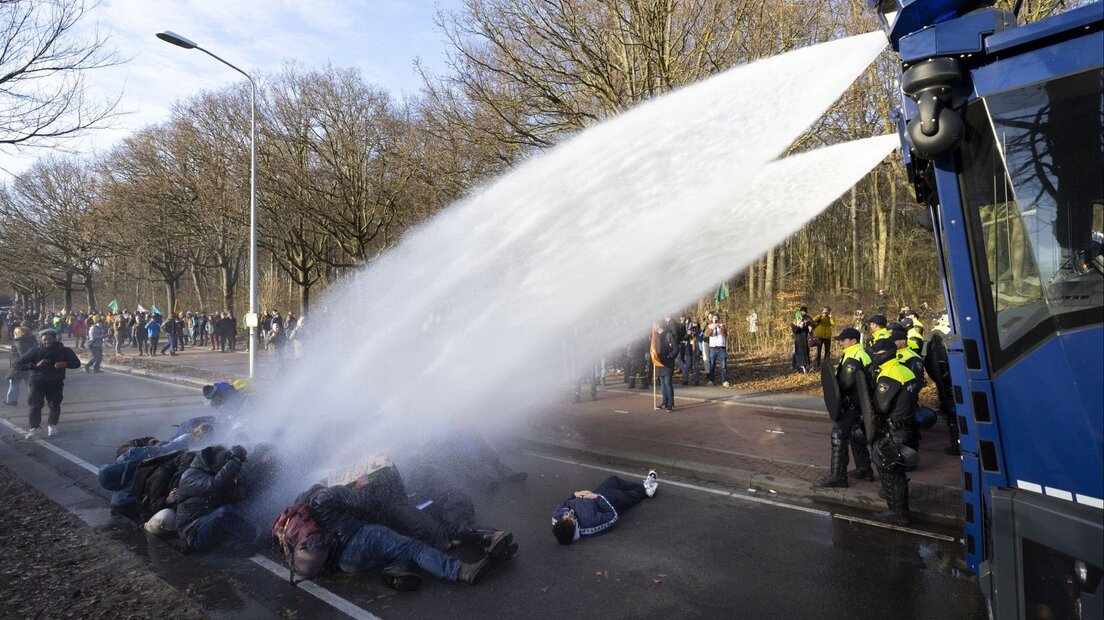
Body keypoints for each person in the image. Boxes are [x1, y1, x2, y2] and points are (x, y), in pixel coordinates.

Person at [307, 483, 503, 588]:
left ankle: (395, 570)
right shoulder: (331, 492)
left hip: (346, 562)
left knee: (400, 546)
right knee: (414, 548)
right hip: (363, 538)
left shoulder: (311, 510)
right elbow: (364, 505)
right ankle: (460, 571)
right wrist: (363, 485)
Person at [869, 339, 920, 525]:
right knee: (896, 469)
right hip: (908, 425)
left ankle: (898, 511)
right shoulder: (905, 370)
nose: (874, 356)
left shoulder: (889, 375)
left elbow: (881, 406)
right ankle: (894, 499)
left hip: (894, 429)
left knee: (891, 470)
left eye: (876, 353)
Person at [816, 328, 875, 487]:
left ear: (853, 341)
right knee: (855, 435)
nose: (840, 342)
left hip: (852, 405)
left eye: (843, 340)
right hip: (859, 404)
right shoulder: (857, 354)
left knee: (838, 435)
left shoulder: (854, 358)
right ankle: (864, 469)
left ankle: (838, 476)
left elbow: (844, 383)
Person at [175, 444, 256, 553]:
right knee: (225, 512)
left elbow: (235, 497)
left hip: (207, 523)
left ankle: (250, 536)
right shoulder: (189, 476)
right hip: (193, 533)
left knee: (238, 512)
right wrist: (235, 460)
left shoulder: (212, 473)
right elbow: (213, 485)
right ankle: (253, 538)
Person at [551, 471, 658, 544]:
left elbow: (564, 503)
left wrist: (575, 494)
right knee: (628, 496)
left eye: (565, 515)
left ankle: (643, 487)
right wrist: (597, 498)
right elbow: (612, 517)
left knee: (613, 480)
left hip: (593, 496)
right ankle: (645, 490)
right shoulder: (589, 524)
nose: (569, 514)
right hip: (607, 503)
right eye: (570, 518)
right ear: (575, 527)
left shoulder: (558, 516)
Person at [14, 328, 81, 438]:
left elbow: (76, 363)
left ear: (55, 339)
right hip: (37, 382)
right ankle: (34, 428)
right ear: (41, 340)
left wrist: (65, 364)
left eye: (50, 339)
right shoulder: (35, 351)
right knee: (35, 406)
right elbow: (18, 364)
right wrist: (35, 366)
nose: (47, 342)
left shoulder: (64, 350)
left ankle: (52, 425)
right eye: (44, 340)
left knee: (54, 405)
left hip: (55, 382)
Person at [651, 320, 679, 411]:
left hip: (667, 362)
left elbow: (676, 349)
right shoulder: (655, 336)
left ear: (659, 324)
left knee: (667, 383)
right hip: (659, 362)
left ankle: (671, 404)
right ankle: (665, 402)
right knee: (663, 384)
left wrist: (669, 356)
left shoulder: (668, 335)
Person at [6, 326, 35, 405]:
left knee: (14, 384)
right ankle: (33, 399)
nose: (13, 334)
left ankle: (12, 401)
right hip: (26, 366)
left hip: (19, 366)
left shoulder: (19, 342)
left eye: (15, 332)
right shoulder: (30, 340)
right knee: (29, 384)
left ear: (20, 333)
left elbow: (23, 355)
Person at [704, 313, 728, 387]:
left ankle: (724, 380)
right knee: (712, 365)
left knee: (723, 366)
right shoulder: (710, 326)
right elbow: (707, 334)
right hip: (713, 348)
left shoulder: (722, 325)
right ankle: (711, 380)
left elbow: (725, 335)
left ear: (718, 318)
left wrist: (721, 328)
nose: (715, 319)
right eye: (714, 318)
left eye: (716, 318)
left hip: (721, 348)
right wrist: (712, 328)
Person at [791, 308, 811, 374]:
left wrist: (809, 327)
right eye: (799, 317)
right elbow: (795, 331)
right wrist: (798, 325)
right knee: (797, 354)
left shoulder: (806, 321)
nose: (800, 318)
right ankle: (797, 367)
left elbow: (809, 328)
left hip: (804, 340)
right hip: (797, 340)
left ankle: (805, 367)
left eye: (801, 317)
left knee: (805, 354)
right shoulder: (794, 322)